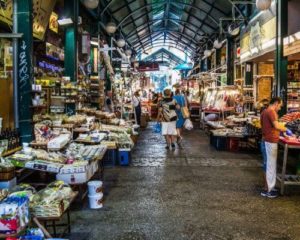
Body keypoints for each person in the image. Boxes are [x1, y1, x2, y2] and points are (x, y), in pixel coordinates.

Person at [260, 97, 288, 198]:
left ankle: (267, 188)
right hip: (270, 141)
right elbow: (276, 126)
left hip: (265, 140)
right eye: (280, 106)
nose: (280, 108)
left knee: (268, 165)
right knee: (270, 165)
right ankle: (270, 190)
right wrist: (286, 129)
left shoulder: (264, 111)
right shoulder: (271, 112)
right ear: (276, 103)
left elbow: (264, 125)